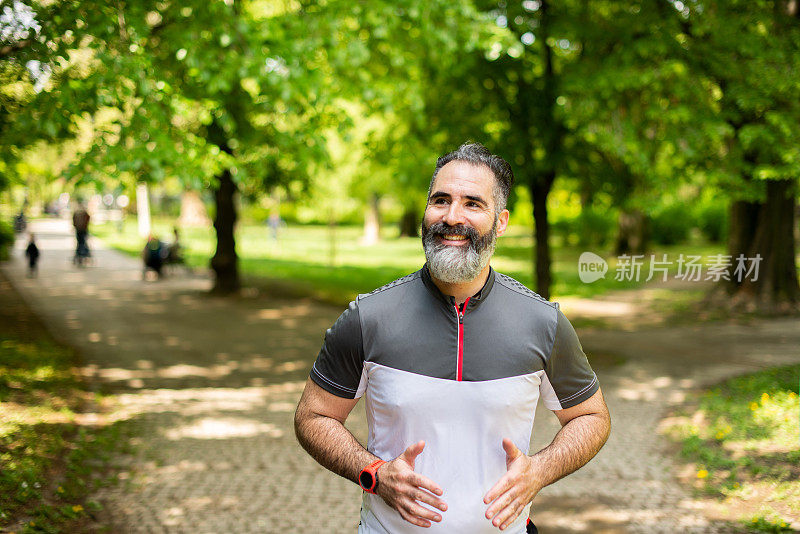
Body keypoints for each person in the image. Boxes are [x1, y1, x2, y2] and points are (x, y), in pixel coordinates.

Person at [294, 142, 611, 534]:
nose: (452, 216)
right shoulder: (367, 318)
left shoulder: (542, 322)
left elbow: (592, 417)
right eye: (440, 200)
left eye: (473, 204)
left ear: (501, 221)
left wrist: (540, 471)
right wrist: (373, 473)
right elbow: (313, 416)